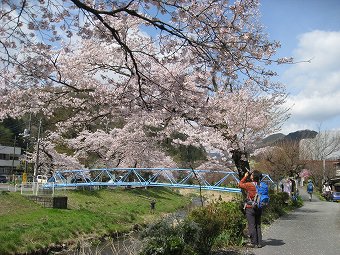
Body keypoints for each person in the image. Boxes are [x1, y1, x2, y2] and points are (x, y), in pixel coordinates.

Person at [238, 170, 263, 248]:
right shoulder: (262, 185)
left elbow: (240, 184)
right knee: (258, 224)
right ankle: (259, 243)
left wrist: (245, 176)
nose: (250, 175)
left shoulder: (249, 185)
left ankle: (253, 243)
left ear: (253, 177)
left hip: (250, 207)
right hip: (259, 207)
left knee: (251, 225)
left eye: (251, 175)